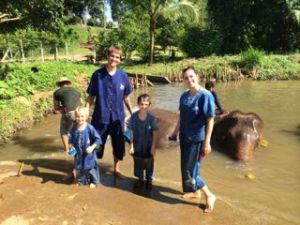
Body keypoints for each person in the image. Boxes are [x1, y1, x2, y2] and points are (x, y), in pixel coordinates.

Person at [169, 66, 217, 213]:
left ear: (197, 75)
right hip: (184, 137)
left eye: (191, 76)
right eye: (186, 78)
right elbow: (181, 117)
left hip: (197, 139)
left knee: (191, 171)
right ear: (183, 80)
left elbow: (210, 120)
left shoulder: (205, 95)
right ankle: (195, 192)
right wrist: (175, 132)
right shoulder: (184, 95)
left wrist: (207, 142)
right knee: (186, 168)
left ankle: (209, 195)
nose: (189, 80)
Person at [86, 45, 133, 178]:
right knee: (95, 143)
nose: (114, 59)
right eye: (112, 56)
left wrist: (132, 112)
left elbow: (126, 97)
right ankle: (91, 168)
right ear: (108, 56)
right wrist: (85, 112)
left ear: (120, 59)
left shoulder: (123, 76)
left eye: (117, 57)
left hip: (118, 118)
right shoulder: (97, 75)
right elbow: (91, 96)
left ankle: (116, 169)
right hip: (100, 117)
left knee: (118, 145)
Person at [127, 94, 158, 190]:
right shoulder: (133, 117)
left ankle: (149, 180)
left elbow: (155, 133)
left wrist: (153, 147)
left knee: (149, 163)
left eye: (146, 104)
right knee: (138, 162)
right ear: (138, 104)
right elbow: (131, 132)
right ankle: (140, 179)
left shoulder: (151, 118)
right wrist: (131, 146)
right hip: (137, 144)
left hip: (149, 145)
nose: (144, 106)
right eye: (141, 104)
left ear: (149, 105)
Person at [53, 76, 81, 180]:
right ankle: (75, 155)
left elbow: (56, 108)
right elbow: (80, 104)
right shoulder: (76, 91)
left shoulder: (57, 92)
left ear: (60, 84)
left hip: (69, 114)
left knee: (64, 131)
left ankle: (67, 150)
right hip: (81, 115)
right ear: (68, 83)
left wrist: (63, 108)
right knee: (79, 137)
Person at [69, 107, 102, 188]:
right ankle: (80, 181)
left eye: (82, 116)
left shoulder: (90, 128)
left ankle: (93, 181)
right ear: (75, 117)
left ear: (86, 117)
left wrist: (92, 147)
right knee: (79, 167)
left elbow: (98, 139)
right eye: (78, 116)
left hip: (89, 153)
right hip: (78, 153)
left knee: (90, 167)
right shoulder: (73, 127)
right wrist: (71, 146)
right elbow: (71, 139)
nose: (80, 119)